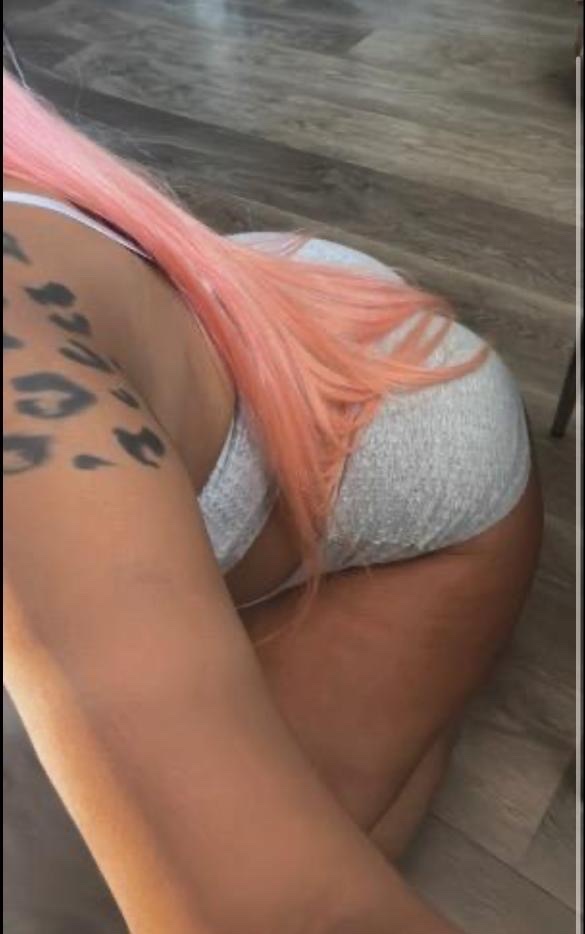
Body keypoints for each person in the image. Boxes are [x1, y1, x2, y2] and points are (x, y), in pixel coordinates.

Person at [3, 71, 543, 933]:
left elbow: (297, 912)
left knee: (121, 897)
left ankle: (424, 678)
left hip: (395, 438)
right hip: (242, 309)